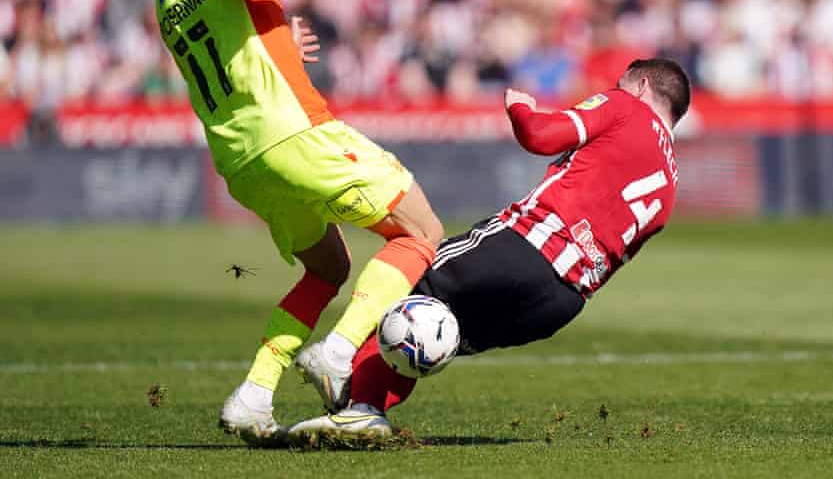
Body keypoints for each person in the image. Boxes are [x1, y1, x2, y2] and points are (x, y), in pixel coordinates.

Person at [154, 0, 444, 446]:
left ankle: (254, 394)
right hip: (292, 131)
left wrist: (280, 42)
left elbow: (230, 42)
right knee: (421, 231)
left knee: (329, 268)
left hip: (241, 158)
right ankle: (338, 352)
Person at [288, 58, 691, 438]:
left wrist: (520, 107)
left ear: (640, 85)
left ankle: (343, 367)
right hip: (561, 302)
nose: (610, 89)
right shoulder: (671, 185)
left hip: (526, 248)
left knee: (411, 280)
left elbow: (542, 135)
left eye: (618, 84)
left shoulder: (626, 106)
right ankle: (360, 413)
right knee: (430, 333)